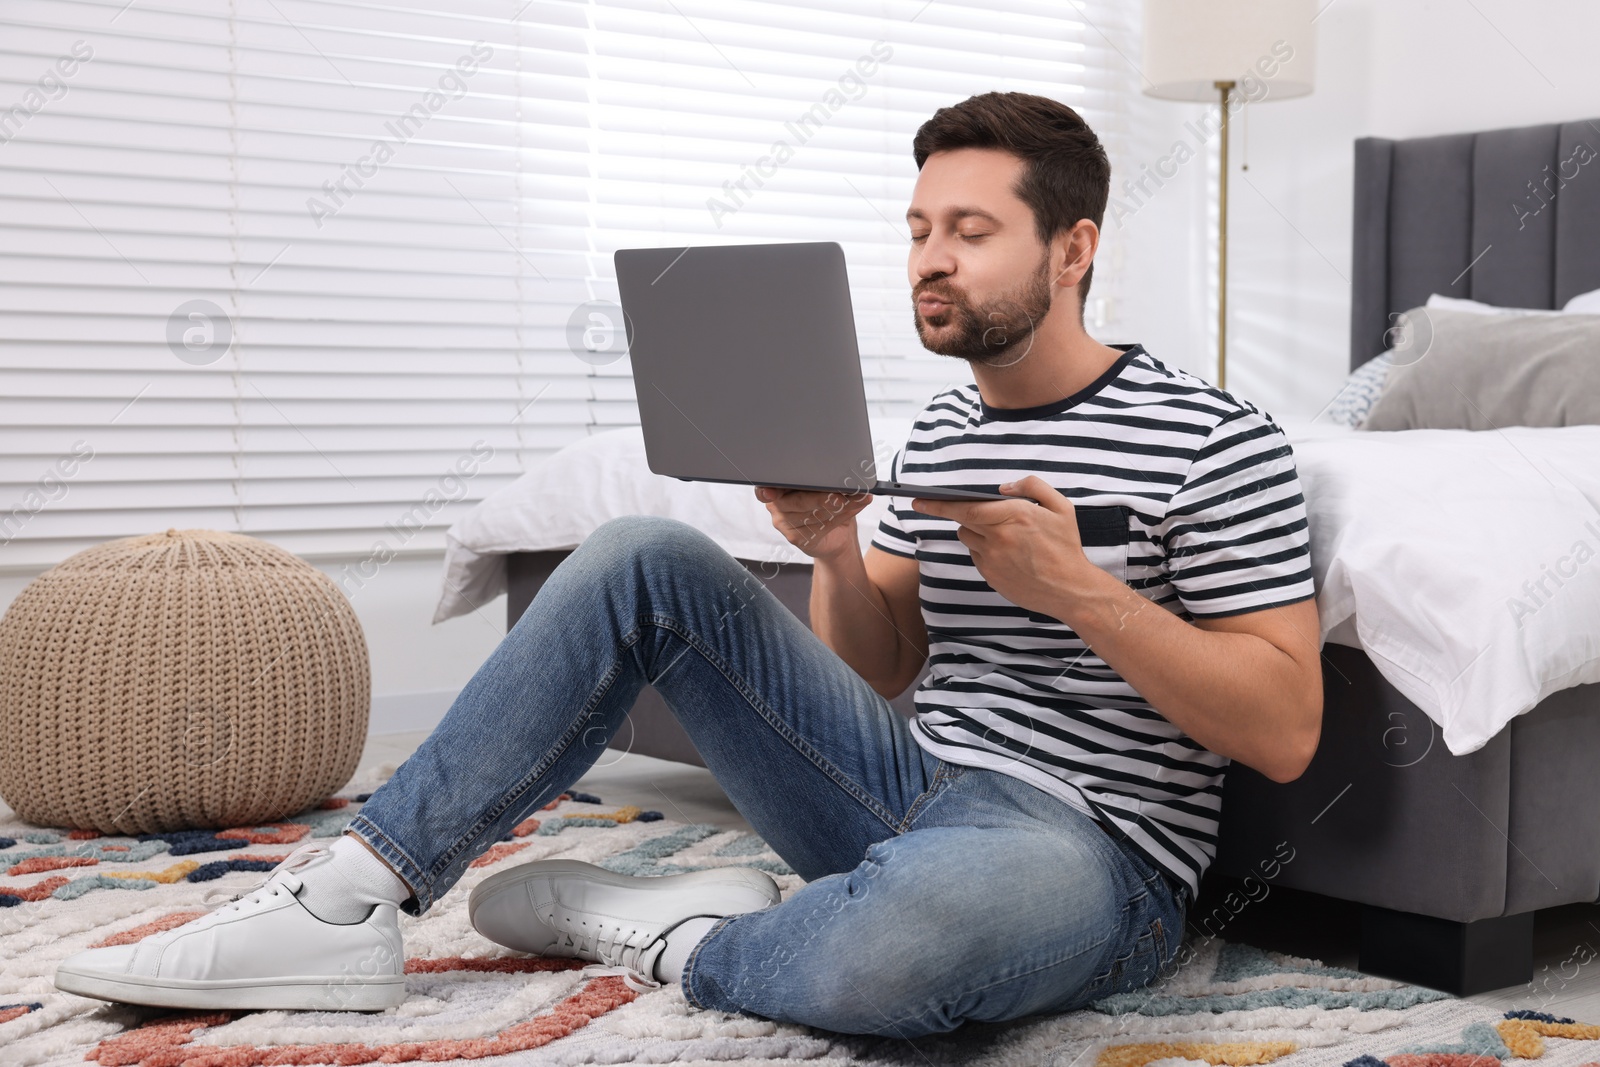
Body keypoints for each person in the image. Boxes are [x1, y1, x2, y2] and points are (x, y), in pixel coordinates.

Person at [55, 91, 1322, 1038]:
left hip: (1091, 848)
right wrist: (832, 547)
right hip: (909, 778)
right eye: (918, 227)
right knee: (641, 552)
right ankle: (345, 894)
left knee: (899, 959)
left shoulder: (1212, 438)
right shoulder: (943, 429)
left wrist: (1081, 590)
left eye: (970, 230)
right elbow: (882, 661)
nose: (930, 258)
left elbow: (1282, 731)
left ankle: (680, 933)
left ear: (1072, 249)